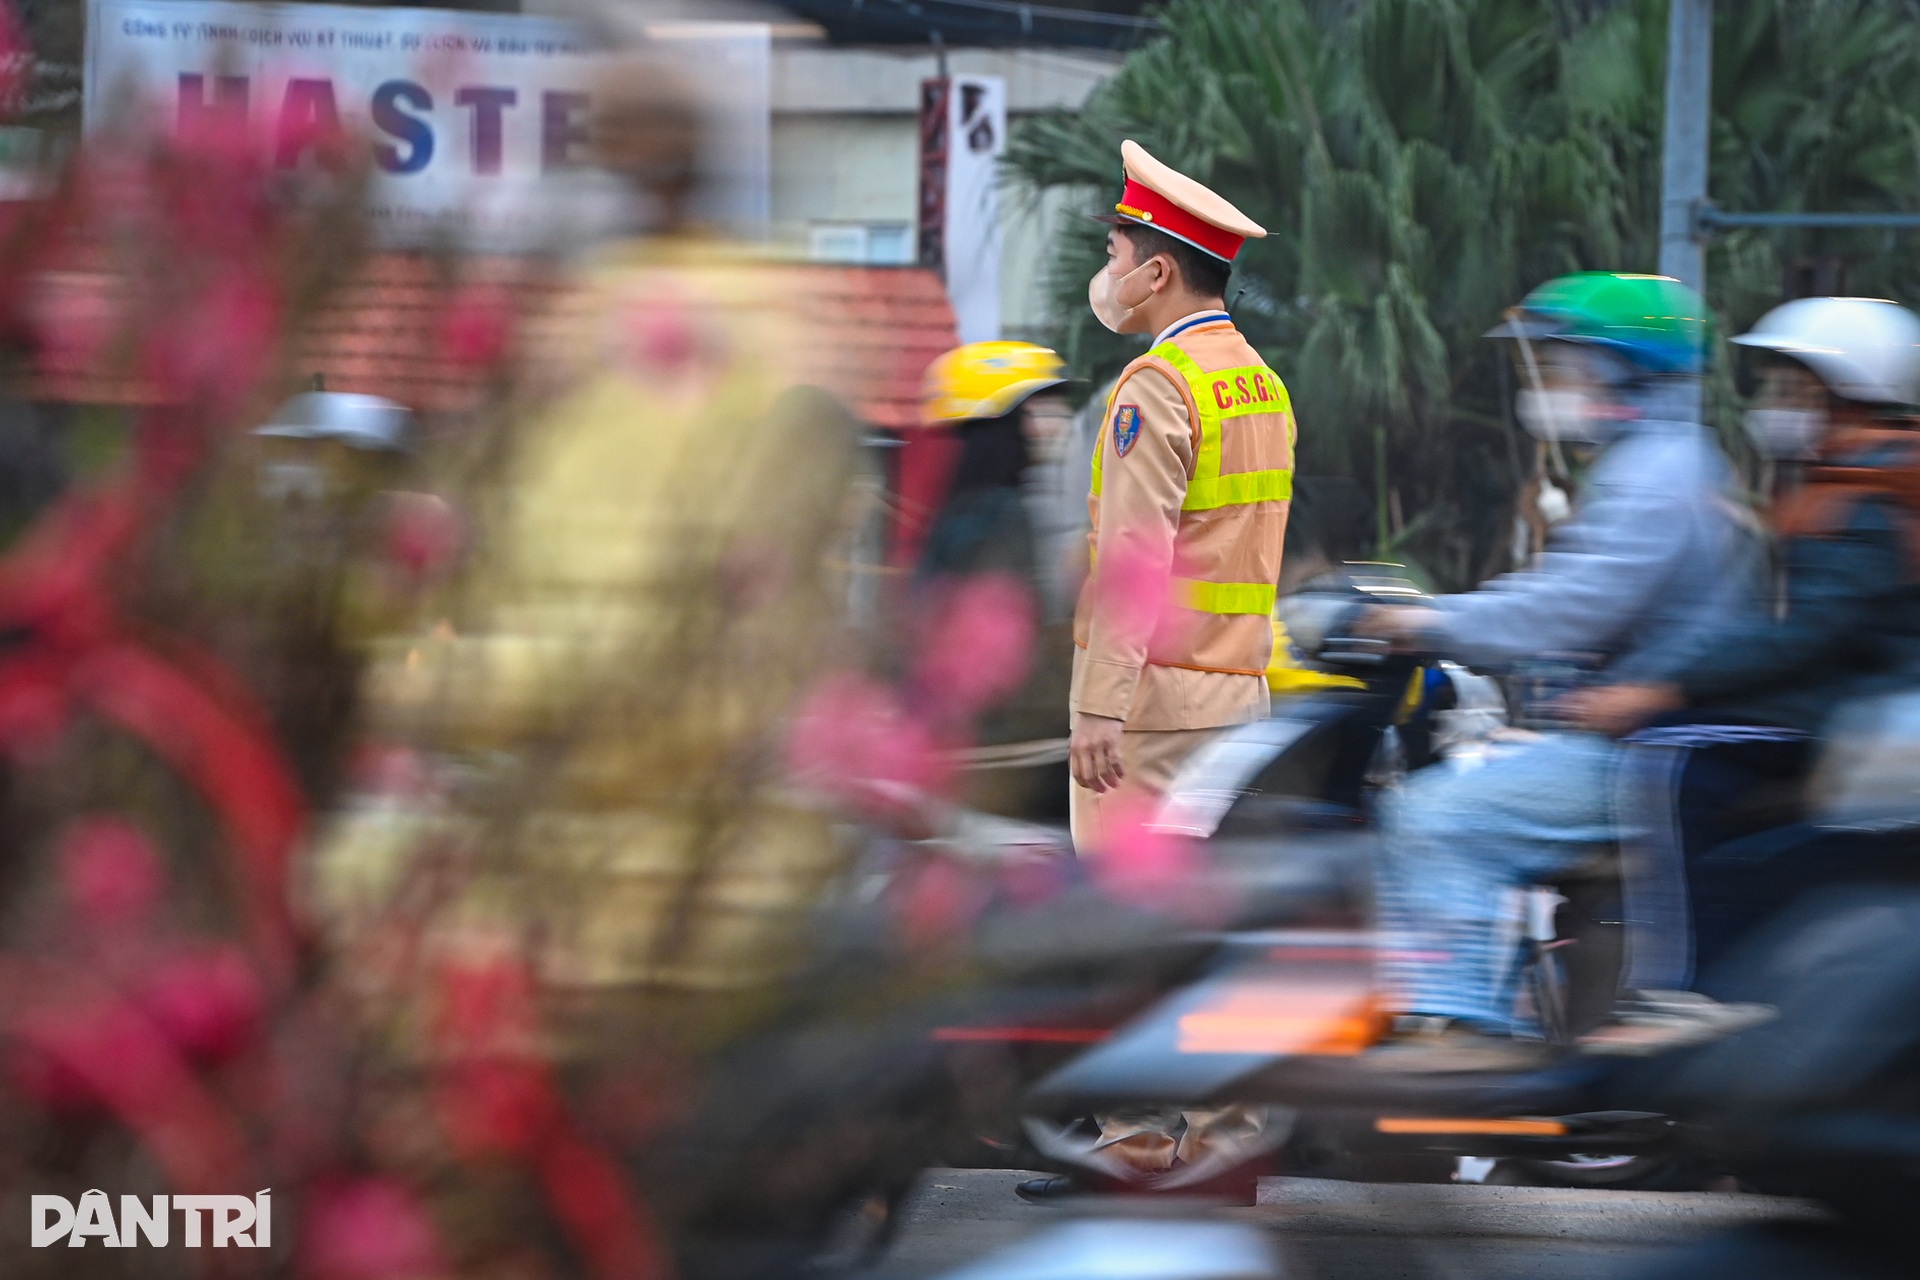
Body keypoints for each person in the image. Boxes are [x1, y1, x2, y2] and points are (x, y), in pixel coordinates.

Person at [1360, 272, 1753, 1072]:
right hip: (1639, 734)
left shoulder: (1658, 475)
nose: (1551, 385)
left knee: (1434, 815)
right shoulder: (1658, 462)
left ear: (1621, 370)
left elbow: (1570, 607)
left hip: (1647, 750)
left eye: (1565, 365)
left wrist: (1428, 621)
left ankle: (1455, 1027)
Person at [1563, 296, 1920, 1042]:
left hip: (1860, 705)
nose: (1775, 406)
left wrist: (1662, 688)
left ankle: (1688, 989)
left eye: (1794, 388)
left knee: (1669, 755)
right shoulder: (1857, 476)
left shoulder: (1863, 494)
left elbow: (1809, 634)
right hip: (1854, 696)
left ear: (1848, 394)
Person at [1067, 140, 1294, 853]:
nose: (1108, 275)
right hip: (1239, 703)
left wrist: (1100, 706)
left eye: (1114, 256)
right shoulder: (1263, 384)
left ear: (1157, 272)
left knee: (1122, 906)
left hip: (1153, 713)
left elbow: (1134, 555)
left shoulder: (1158, 386)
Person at [916, 341, 1070, 586]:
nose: (1061, 423)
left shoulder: (968, 503)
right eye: (1042, 407)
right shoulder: (998, 514)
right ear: (1009, 420)